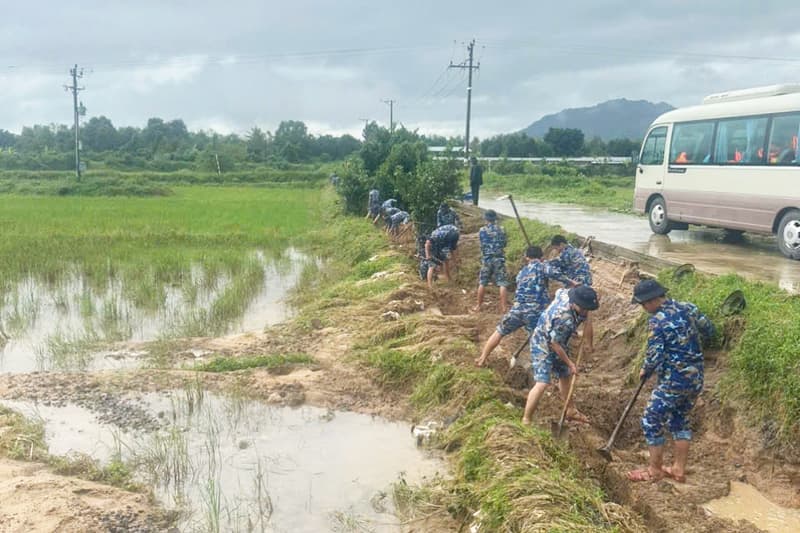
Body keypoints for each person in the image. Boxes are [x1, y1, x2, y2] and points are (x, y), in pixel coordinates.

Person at [627, 280, 714, 483]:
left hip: (674, 380)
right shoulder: (688, 307)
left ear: (651, 301)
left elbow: (655, 354)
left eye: (643, 304)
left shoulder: (657, 320)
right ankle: (678, 469)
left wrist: (645, 370)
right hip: (695, 378)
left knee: (650, 419)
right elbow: (709, 329)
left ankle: (654, 470)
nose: (644, 308)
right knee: (680, 419)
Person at [522, 285, 598, 426]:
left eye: (587, 308)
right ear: (575, 303)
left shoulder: (569, 295)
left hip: (557, 340)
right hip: (543, 343)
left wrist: (590, 344)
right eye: (583, 308)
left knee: (565, 375)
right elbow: (555, 345)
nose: (585, 311)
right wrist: (570, 363)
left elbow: (588, 320)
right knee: (543, 382)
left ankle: (570, 410)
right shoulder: (565, 319)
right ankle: (526, 419)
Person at [475, 245, 563, 367]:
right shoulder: (543, 267)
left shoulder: (522, 272)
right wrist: (573, 283)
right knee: (541, 339)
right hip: (535, 312)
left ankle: (482, 358)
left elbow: (520, 283)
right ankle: (545, 367)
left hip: (517, 309)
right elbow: (556, 274)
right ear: (541, 257)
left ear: (527, 257)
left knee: (499, 332)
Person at [474, 210, 508, 313]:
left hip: (487, 259)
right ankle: (504, 308)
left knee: (482, 282)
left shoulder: (482, 230)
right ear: (495, 218)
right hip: (499, 259)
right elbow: (504, 243)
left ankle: (478, 306)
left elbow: (481, 244)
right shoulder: (501, 229)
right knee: (502, 283)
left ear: (486, 219)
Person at [425, 224, 460, 289]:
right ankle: (430, 285)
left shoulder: (455, 235)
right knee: (432, 265)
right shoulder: (437, 235)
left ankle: (448, 279)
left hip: (442, 243)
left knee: (446, 260)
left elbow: (453, 249)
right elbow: (427, 244)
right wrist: (428, 255)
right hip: (434, 245)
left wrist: (455, 260)